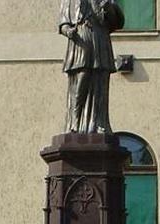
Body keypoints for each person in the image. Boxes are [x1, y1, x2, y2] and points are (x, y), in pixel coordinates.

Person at [58, 0, 122, 134]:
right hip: (82, 36)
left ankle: (99, 122)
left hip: (100, 37)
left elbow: (116, 22)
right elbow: (63, 22)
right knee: (82, 77)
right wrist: (68, 31)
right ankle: (74, 122)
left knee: (101, 80)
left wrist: (108, 8)